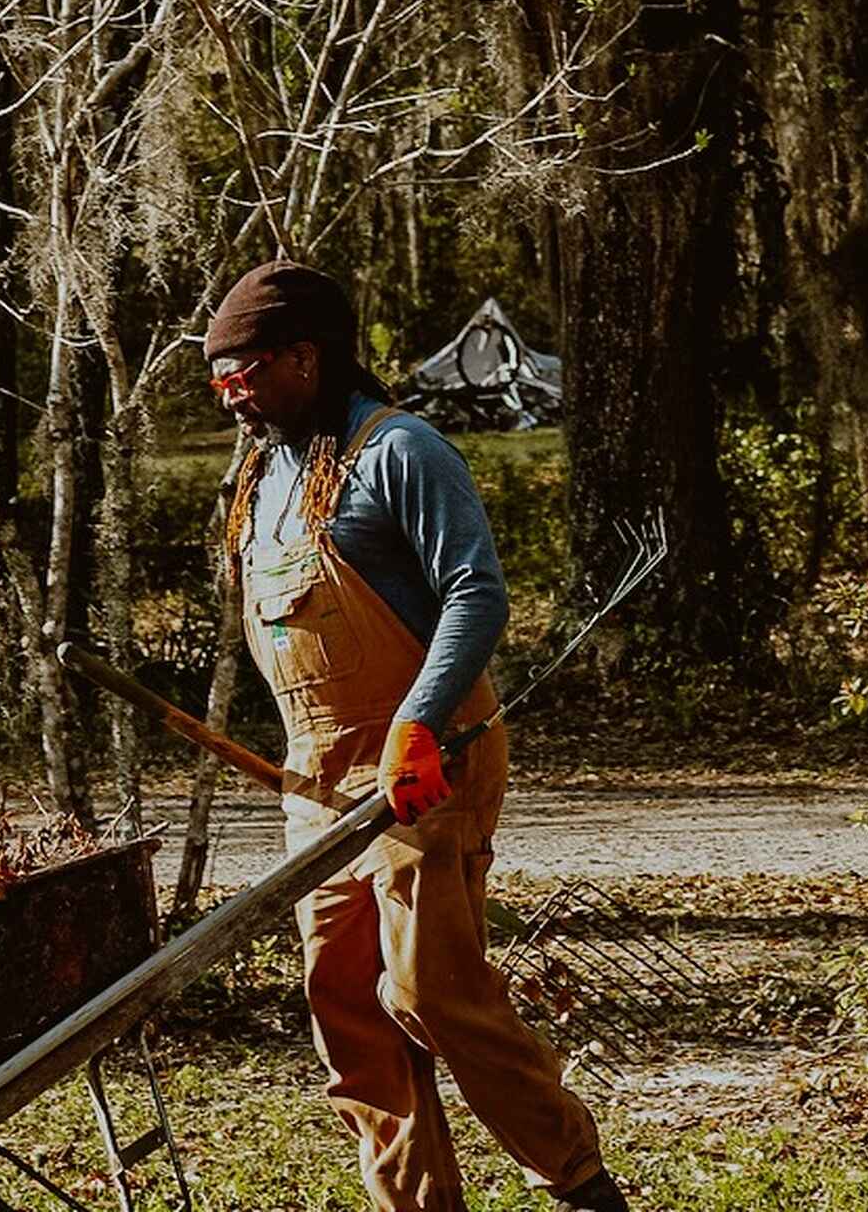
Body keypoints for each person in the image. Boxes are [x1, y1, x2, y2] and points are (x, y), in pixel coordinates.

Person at [203, 262, 630, 1212]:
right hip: (314, 782)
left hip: (422, 764)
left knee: (431, 991)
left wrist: (416, 728)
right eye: (219, 380)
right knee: (346, 1008)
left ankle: (579, 1184)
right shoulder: (265, 471)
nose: (232, 398)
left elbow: (476, 592)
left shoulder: (398, 451)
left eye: (245, 375)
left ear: (305, 360)